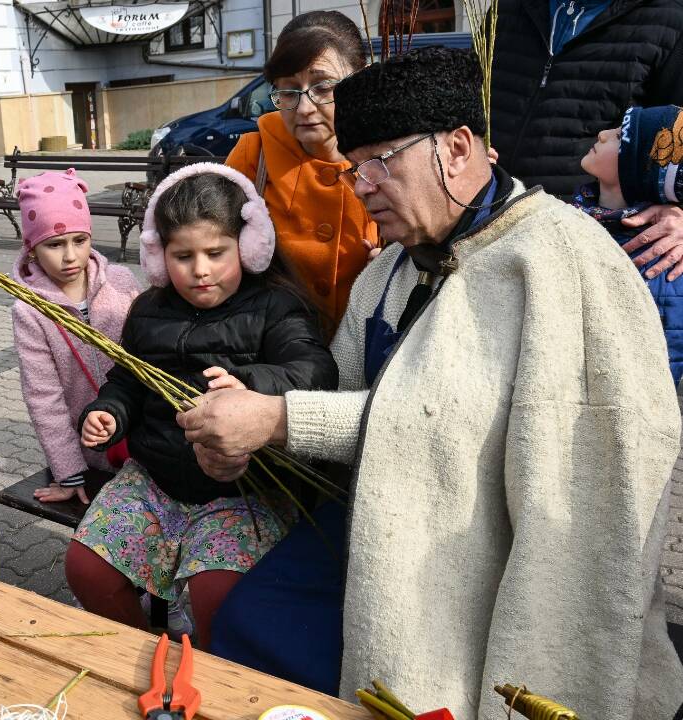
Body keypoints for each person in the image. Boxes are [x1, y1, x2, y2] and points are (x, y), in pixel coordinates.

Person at [180, 47, 683, 717]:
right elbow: (347, 410)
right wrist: (248, 440)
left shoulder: (565, 261)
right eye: (355, 168)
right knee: (250, 622)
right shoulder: (386, 274)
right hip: (376, 527)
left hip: (491, 554)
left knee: (408, 685)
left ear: (457, 147)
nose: (361, 187)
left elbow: (482, 434)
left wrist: (277, 419)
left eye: (379, 163)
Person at [66, 163, 337, 650]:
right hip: (155, 478)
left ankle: (213, 674)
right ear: (158, 256)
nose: (200, 270)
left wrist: (252, 384)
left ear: (249, 248)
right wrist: (109, 411)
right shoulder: (147, 309)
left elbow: (316, 371)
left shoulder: (275, 306)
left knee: (219, 595)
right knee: (86, 567)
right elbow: (129, 378)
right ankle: (147, 653)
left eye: (216, 253)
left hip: (245, 491)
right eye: (182, 255)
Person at [490, 0, 683, 281]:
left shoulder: (670, 21)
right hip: (485, 232)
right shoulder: (507, 9)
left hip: (587, 256)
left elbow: (678, 139)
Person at [225, 10, 377, 328]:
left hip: (368, 352)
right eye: (290, 91)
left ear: (359, 80)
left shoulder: (390, 158)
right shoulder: (254, 154)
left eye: (323, 87)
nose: (305, 108)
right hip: (273, 355)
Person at [10, 168, 139, 504]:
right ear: (32, 249)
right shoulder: (30, 311)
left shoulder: (121, 282)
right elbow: (43, 398)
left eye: (79, 240)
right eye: (54, 244)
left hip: (142, 442)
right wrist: (69, 471)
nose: (70, 256)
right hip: (90, 451)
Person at [573, 104, 683, 384]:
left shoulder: (664, 256)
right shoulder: (567, 219)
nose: (602, 134)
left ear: (641, 171)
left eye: (621, 137)